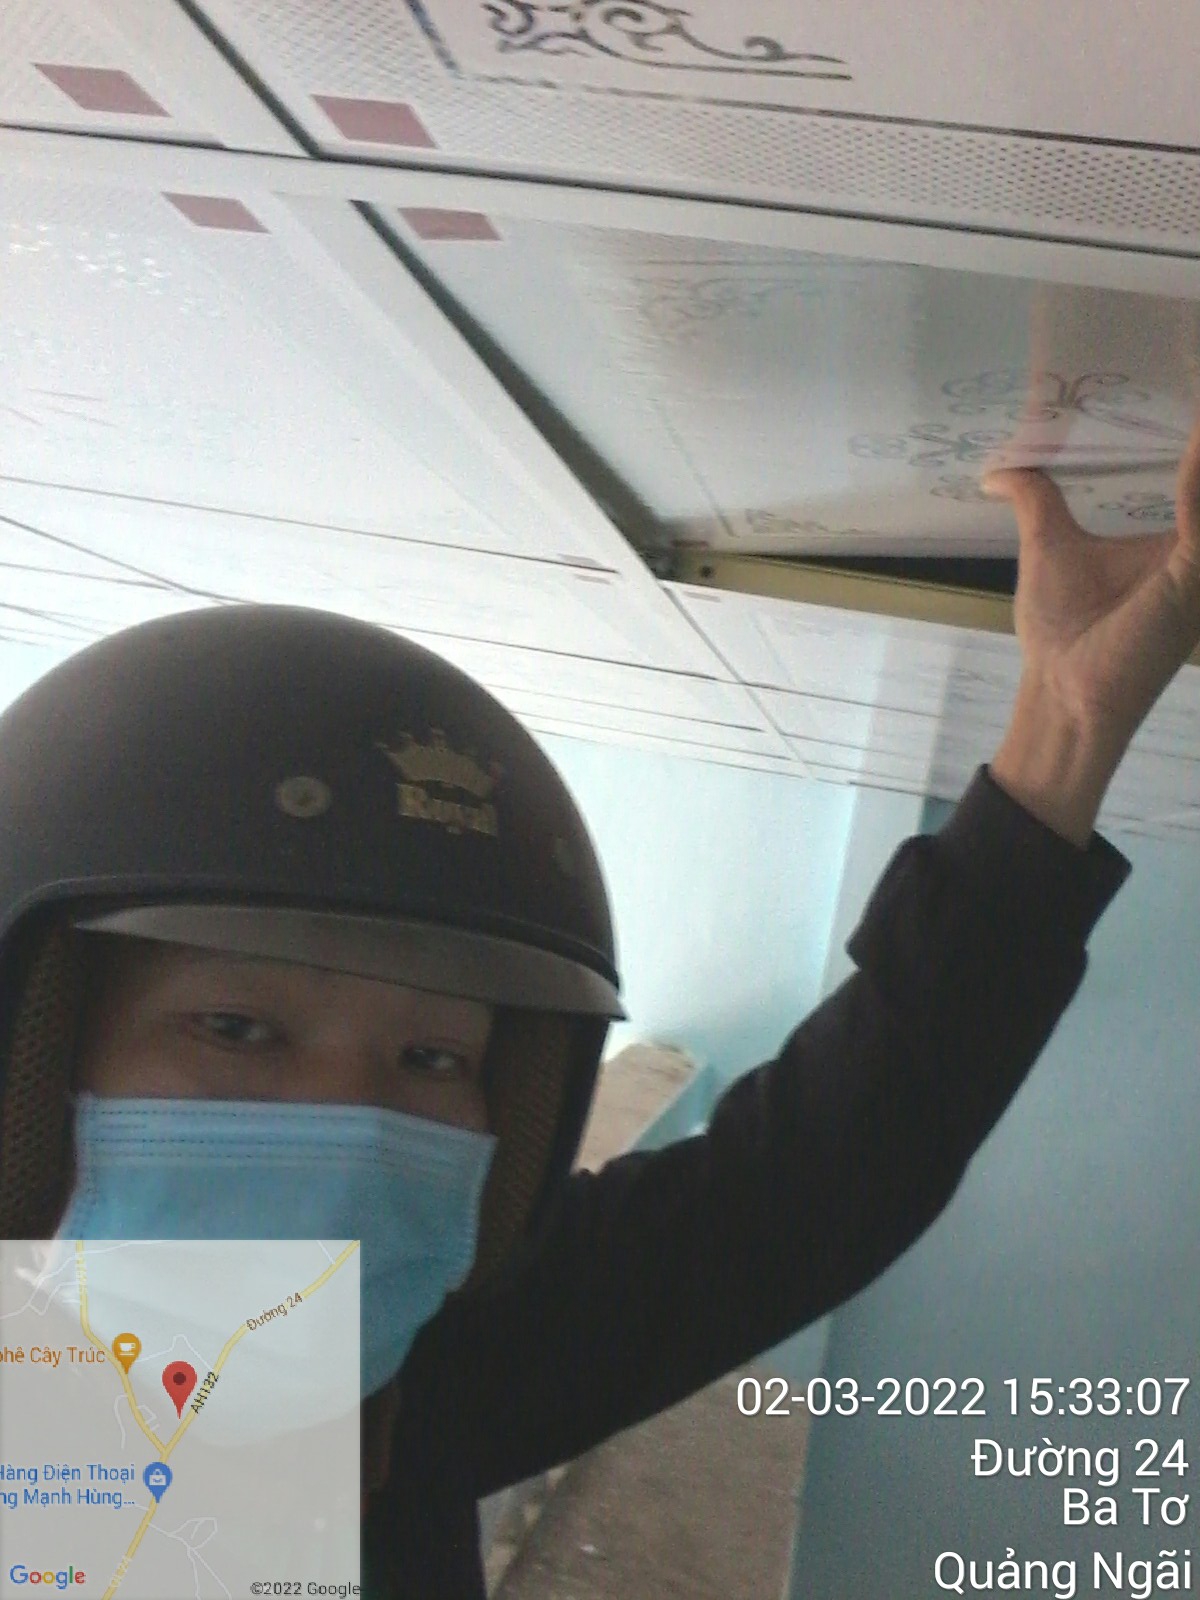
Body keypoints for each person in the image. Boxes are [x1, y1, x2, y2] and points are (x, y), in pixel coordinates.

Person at [0, 413, 1198, 1598]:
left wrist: (1070, 719)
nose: (351, 1123)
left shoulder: (414, 1378)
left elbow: (816, 1177)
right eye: (239, 1029)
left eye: (431, 1058)